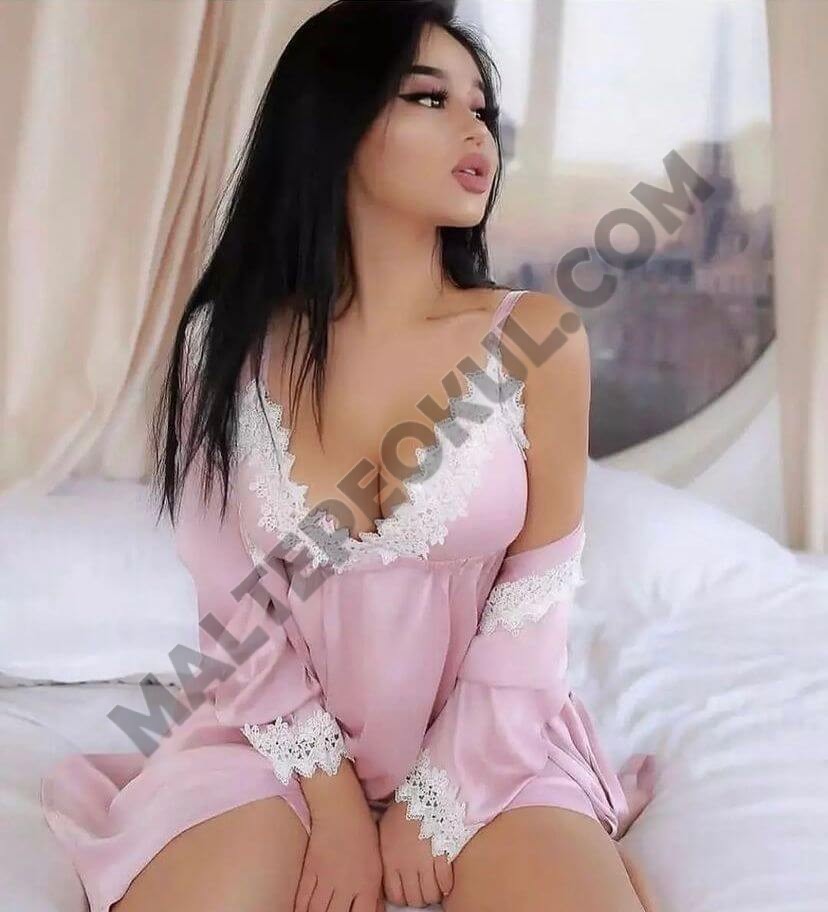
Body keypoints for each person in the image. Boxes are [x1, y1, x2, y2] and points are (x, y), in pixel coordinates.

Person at [40, 2, 657, 910]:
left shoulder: (535, 338)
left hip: (490, 745)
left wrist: (436, 804)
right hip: (276, 742)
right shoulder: (223, 346)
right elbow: (235, 607)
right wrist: (335, 809)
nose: (475, 130)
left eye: (482, 108)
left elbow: (535, 602)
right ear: (335, 118)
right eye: (429, 98)